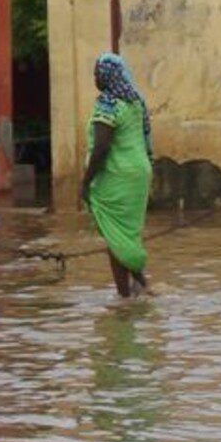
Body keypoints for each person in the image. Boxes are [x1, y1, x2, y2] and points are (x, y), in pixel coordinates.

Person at [80, 53, 153, 298]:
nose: (94, 78)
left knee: (115, 236)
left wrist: (85, 183)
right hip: (139, 174)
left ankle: (126, 298)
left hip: (117, 176)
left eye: (97, 73)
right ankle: (140, 284)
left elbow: (101, 148)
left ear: (108, 75)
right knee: (127, 233)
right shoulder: (135, 102)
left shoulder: (108, 104)